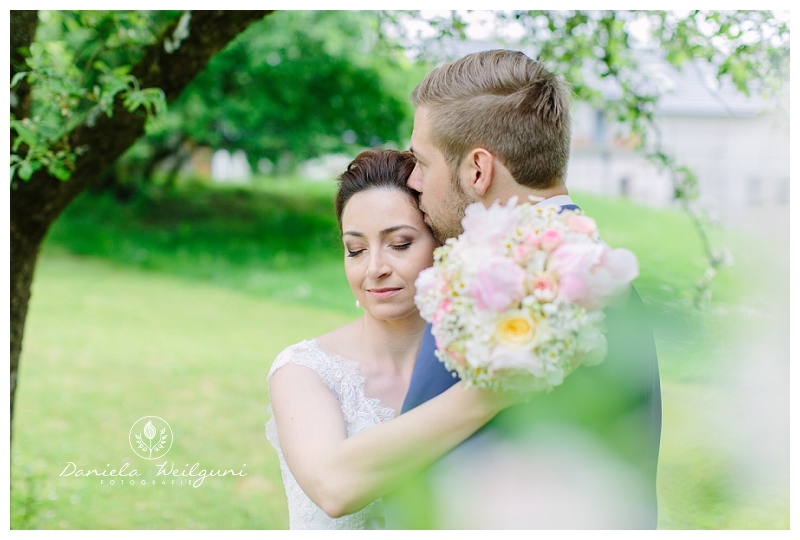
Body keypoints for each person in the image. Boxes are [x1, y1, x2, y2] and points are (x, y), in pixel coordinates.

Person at [385, 49, 662, 529]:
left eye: (422, 160)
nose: (413, 180)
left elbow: (417, 477)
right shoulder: (602, 271)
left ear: (477, 170)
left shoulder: (493, 279)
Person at [265, 149, 529, 530]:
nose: (374, 269)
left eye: (400, 244)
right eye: (355, 249)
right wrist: (493, 392)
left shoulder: (482, 355)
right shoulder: (304, 371)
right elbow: (333, 488)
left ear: (445, 245)